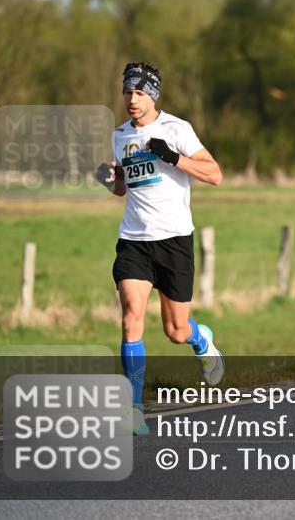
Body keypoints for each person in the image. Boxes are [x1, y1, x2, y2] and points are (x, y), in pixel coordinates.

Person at [95, 62, 225, 436]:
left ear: (153, 95)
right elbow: (124, 186)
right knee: (131, 319)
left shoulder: (176, 129)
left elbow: (214, 174)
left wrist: (174, 157)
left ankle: (202, 341)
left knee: (176, 330)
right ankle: (133, 409)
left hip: (174, 240)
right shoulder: (119, 135)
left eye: (139, 93)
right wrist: (109, 180)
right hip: (134, 240)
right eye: (127, 92)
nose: (132, 100)